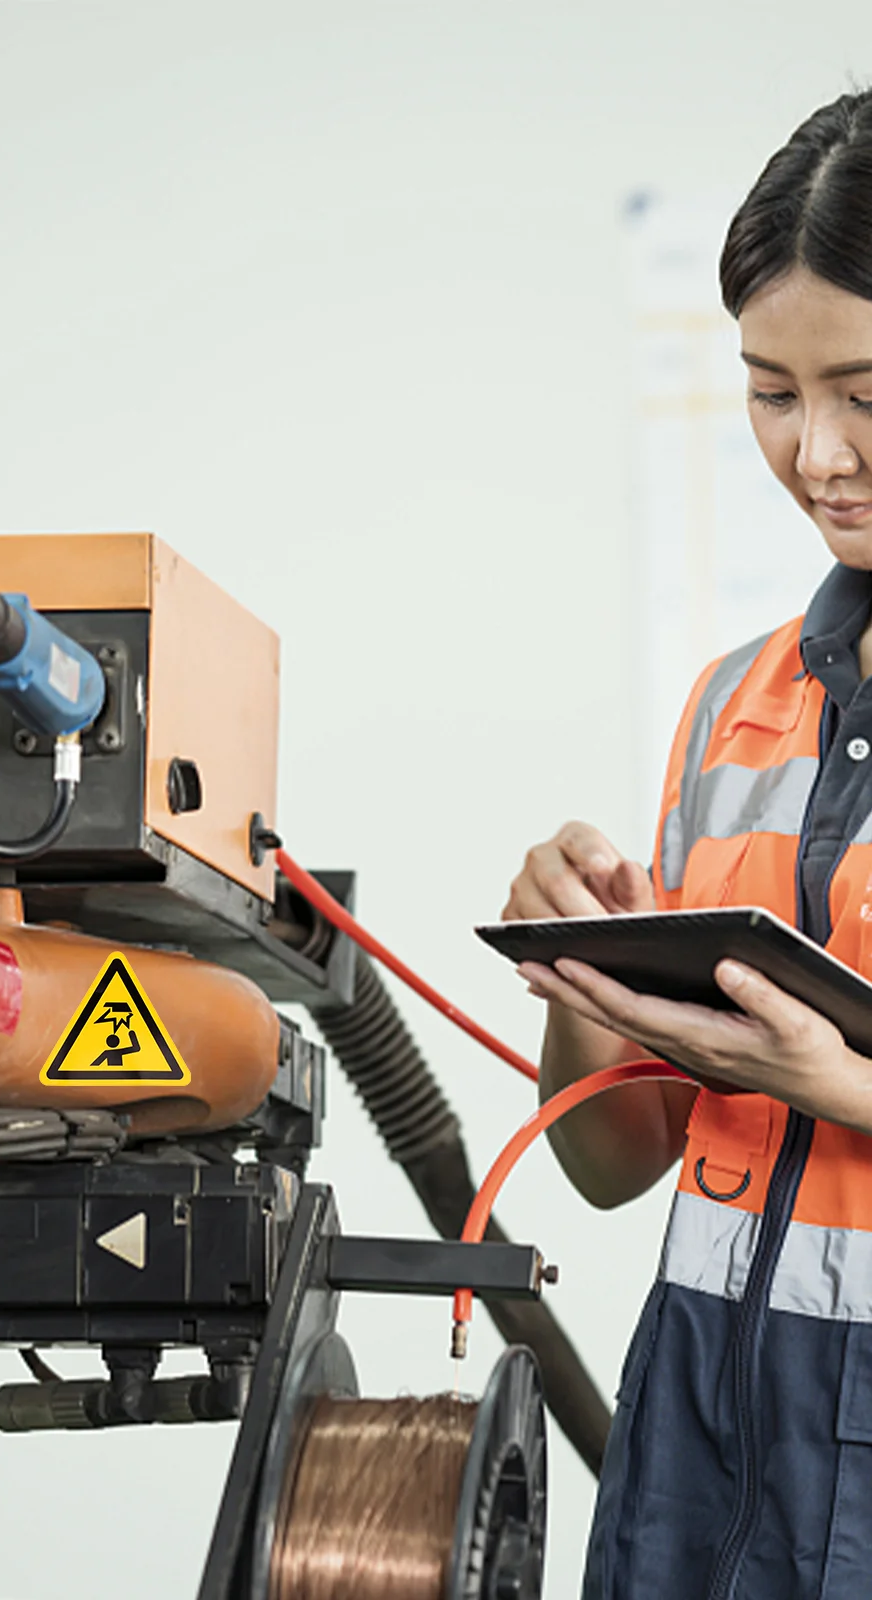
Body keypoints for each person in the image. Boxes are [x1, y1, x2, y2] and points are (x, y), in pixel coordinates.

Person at [503, 89, 872, 1600]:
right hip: (699, 1472)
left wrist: (843, 1086)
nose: (821, 453)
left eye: (865, 389)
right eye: (772, 393)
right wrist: (581, 986)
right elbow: (610, 1164)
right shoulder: (734, 708)